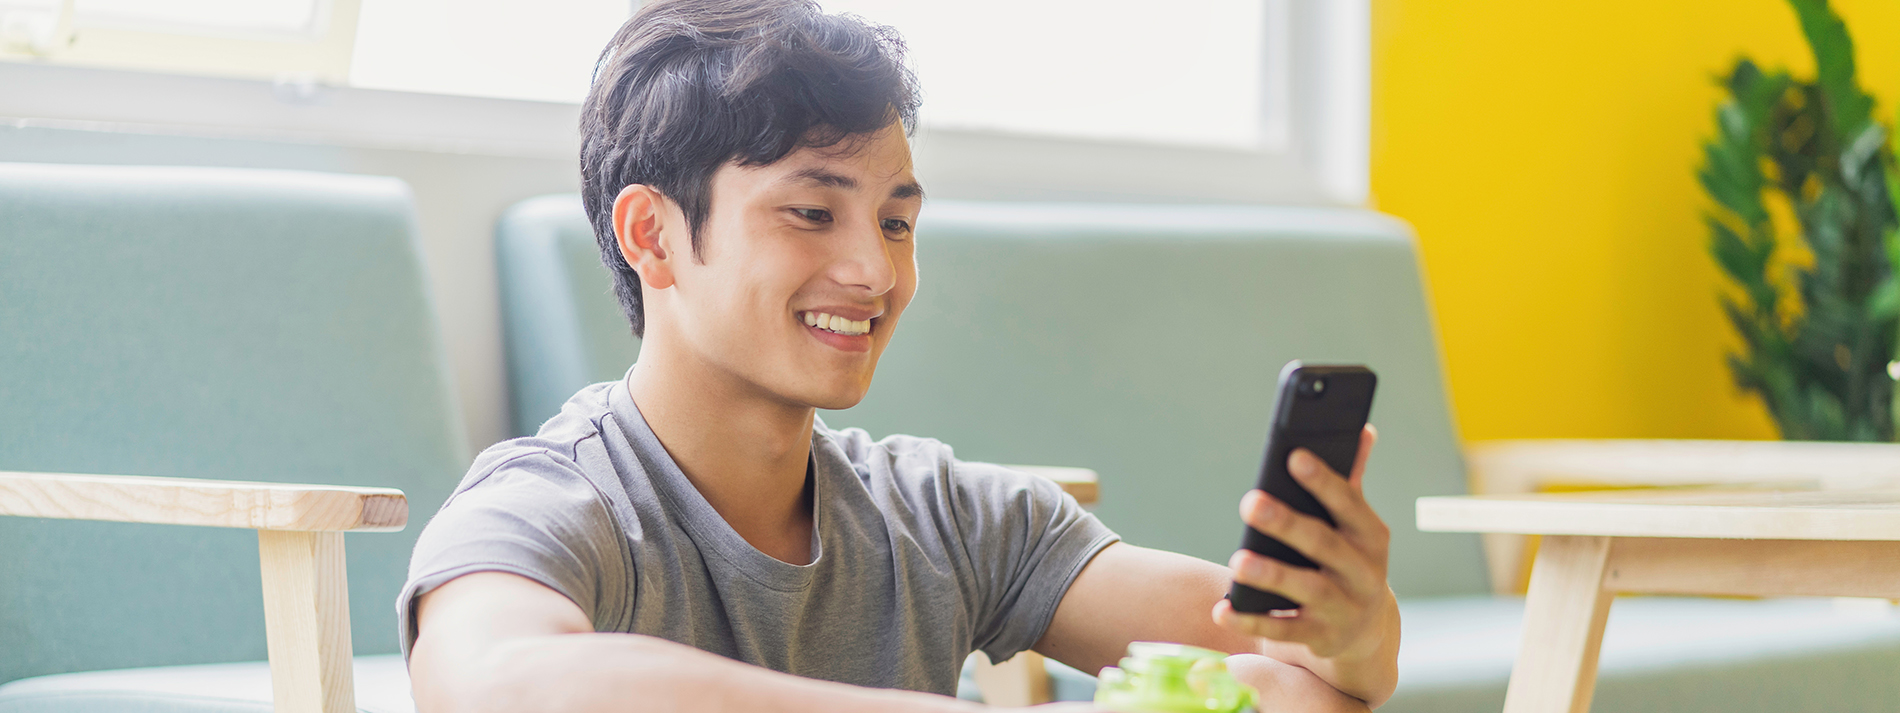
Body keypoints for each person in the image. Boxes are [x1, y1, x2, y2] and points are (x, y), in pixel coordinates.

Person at [400, 1, 1399, 711]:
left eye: (895, 220)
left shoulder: (941, 512)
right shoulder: (555, 500)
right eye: (811, 211)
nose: (873, 269)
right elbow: (494, 681)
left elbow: (1285, 669)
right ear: (653, 235)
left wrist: (1353, 631)